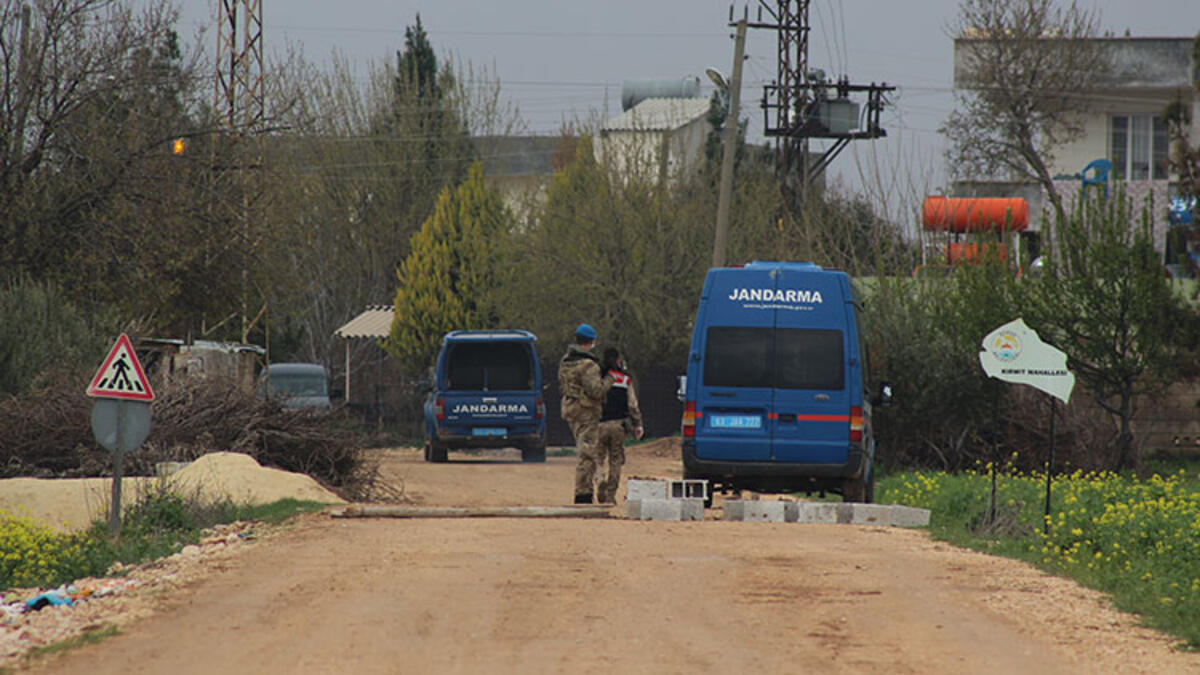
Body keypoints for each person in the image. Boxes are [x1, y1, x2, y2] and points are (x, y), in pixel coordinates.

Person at [557, 323, 613, 504]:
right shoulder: (588, 365)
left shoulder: (566, 361)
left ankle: (597, 478)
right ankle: (583, 493)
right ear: (591, 342)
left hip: (571, 409)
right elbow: (596, 391)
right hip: (586, 411)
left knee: (586, 449)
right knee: (586, 453)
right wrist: (609, 379)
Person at [595, 347, 644, 504]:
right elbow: (632, 405)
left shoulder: (599, 378)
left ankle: (600, 478)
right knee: (615, 460)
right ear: (618, 360)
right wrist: (638, 424)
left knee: (598, 458)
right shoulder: (625, 379)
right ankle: (610, 495)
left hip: (599, 425)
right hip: (619, 426)